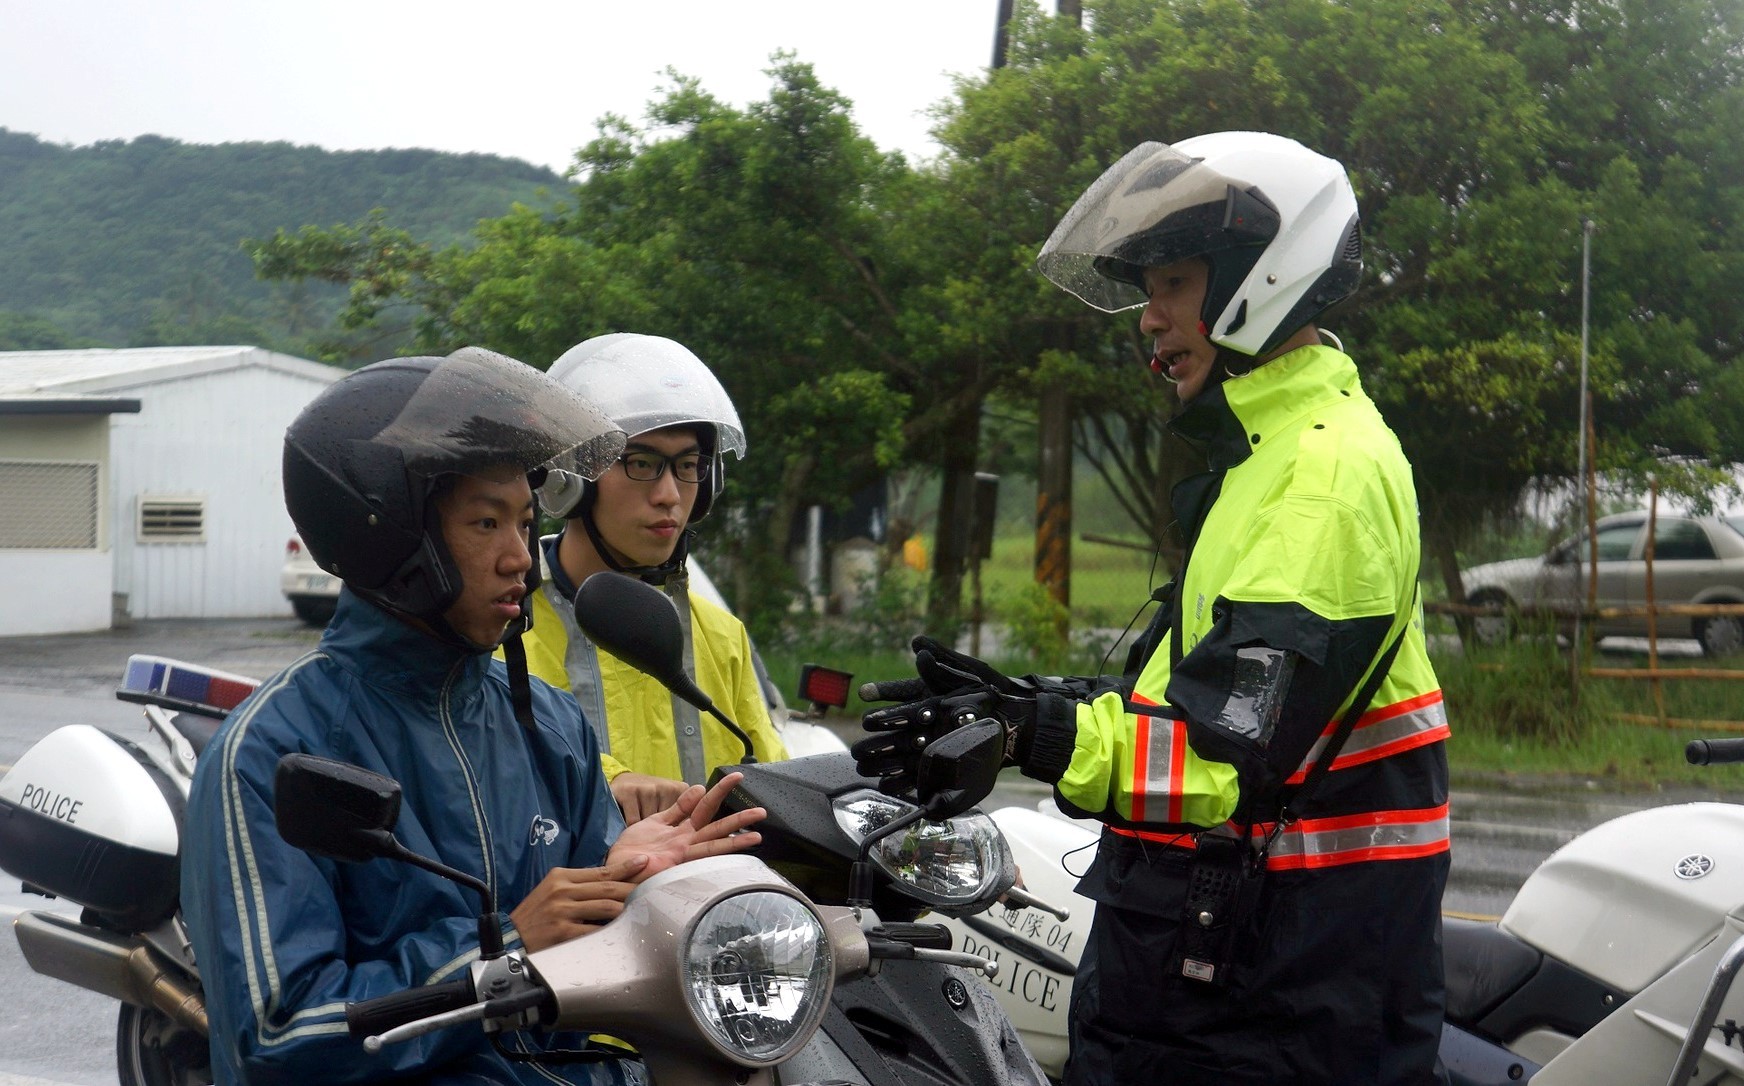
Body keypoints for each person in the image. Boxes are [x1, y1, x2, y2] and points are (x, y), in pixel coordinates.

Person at [854, 132, 1451, 1084]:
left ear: (1262, 275)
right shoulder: (1275, 455)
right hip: (1234, 969)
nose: (1148, 318)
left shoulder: (1320, 477)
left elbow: (1221, 758)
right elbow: (1212, 692)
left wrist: (1034, 734)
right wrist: (1031, 697)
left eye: (1170, 282)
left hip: (1270, 997)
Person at [181, 346, 767, 1086]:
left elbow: (601, 971)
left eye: (525, 523)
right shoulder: (271, 750)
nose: (521, 556)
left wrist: (629, 880)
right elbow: (278, 1032)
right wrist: (502, 949)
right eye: (487, 524)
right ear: (395, 540)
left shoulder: (549, 729)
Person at [518, 333, 787, 823]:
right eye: (642, 463)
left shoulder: (722, 636)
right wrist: (610, 781)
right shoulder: (507, 625)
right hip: (569, 897)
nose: (669, 495)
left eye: (688, 466)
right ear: (568, 478)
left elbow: (779, 786)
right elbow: (496, 770)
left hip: (720, 897)